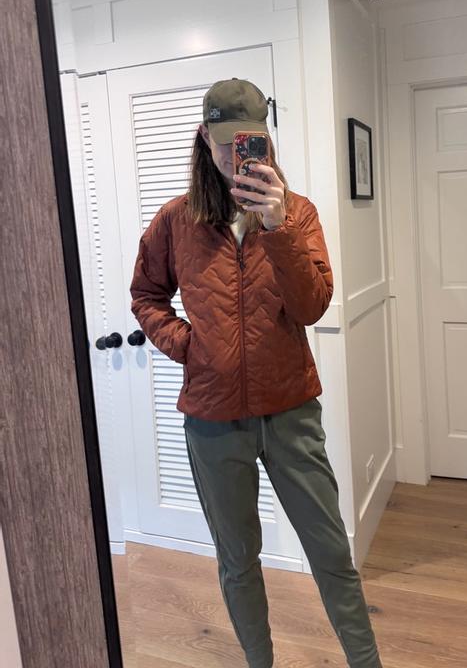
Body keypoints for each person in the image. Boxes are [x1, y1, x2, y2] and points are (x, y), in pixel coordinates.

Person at [129, 77, 383, 668]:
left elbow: (312, 307)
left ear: (265, 139)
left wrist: (277, 228)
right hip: (214, 421)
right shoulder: (176, 220)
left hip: (291, 411)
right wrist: (189, 347)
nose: (233, 154)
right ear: (204, 137)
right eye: (224, 142)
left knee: (330, 553)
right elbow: (146, 295)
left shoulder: (298, 214)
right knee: (238, 560)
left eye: (247, 140)